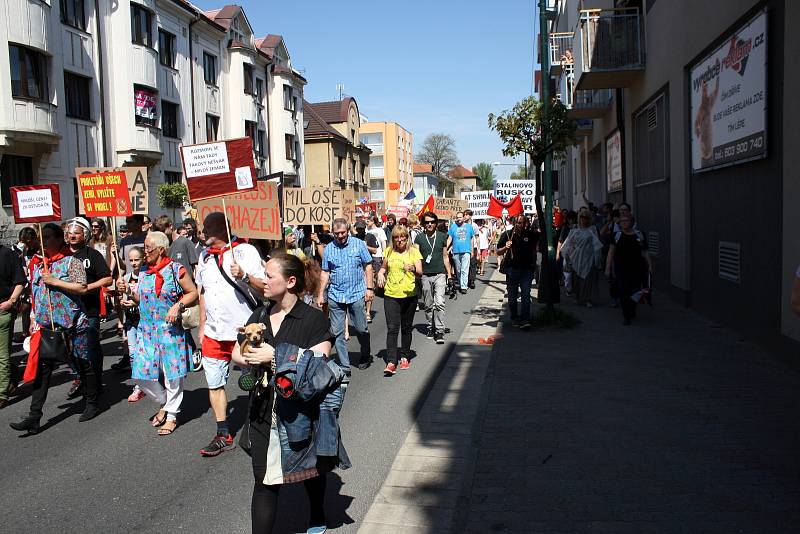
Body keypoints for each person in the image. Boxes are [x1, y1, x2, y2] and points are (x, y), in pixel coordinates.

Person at [233, 252, 348, 534]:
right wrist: (250, 357)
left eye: (270, 276)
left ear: (290, 281)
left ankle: (317, 514)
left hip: (299, 411)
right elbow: (237, 350)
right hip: (263, 411)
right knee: (264, 481)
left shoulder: (311, 319)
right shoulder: (260, 313)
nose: (264, 281)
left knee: (310, 470)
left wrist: (276, 357)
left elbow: (320, 361)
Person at [10, 223, 96, 434]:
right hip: (48, 328)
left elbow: (82, 287)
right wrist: (33, 318)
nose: (43, 241)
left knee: (82, 363)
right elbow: (36, 294)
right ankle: (34, 416)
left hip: (73, 326)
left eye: (48, 237)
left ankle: (92, 401)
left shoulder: (70, 262)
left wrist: (56, 282)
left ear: (59, 240)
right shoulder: (38, 264)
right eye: (42, 237)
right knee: (43, 370)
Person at [196, 212, 266, 456]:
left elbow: (266, 288)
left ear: (222, 228)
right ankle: (223, 433)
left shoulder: (246, 251)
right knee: (214, 383)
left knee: (256, 380)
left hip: (244, 332)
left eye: (207, 227)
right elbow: (202, 291)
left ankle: (261, 425)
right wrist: (202, 325)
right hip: (214, 333)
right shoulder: (204, 256)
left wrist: (245, 276)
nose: (202, 232)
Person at [117, 232, 198, 435]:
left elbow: (193, 292)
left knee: (172, 375)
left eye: (148, 248)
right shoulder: (144, 272)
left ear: (161, 249)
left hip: (170, 330)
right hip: (147, 331)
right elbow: (141, 298)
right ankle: (165, 402)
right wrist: (128, 292)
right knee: (141, 374)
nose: (145, 251)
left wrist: (177, 306)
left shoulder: (175, 269)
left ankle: (172, 415)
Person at [317, 218, 374, 372]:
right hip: (336, 295)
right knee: (337, 332)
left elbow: (368, 266)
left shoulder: (358, 245)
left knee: (361, 328)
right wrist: (321, 293)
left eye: (342, 233)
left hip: (356, 293)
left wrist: (369, 288)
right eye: (336, 234)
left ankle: (365, 354)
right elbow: (325, 272)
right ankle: (344, 364)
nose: (340, 236)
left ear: (348, 230)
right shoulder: (329, 248)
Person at [66, 217, 113, 401]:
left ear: (84, 235)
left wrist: (87, 288)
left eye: (76, 233)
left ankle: (95, 380)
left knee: (91, 346)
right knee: (70, 349)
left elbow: (107, 279)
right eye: (69, 233)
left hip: (89, 308)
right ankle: (80, 377)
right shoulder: (62, 256)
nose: (72, 236)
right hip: (68, 312)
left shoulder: (92, 255)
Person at [377, 225, 423, 375]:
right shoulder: (389, 251)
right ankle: (391, 361)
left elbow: (420, 273)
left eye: (402, 236)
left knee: (406, 327)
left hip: (409, 295)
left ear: (407, 237)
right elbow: (384, 267)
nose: (399, 239)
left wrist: (412, 269)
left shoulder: (414, 252)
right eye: (396, 237)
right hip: (391, 294)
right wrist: (381, 273)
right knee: (392, 328)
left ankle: (404, 355)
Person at [605, 215, 653, 325]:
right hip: (621, 268)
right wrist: (608, 268)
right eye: (622, 221)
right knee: (623, 290)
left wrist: (650, 265)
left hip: (637, 268)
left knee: (635, 290)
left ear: (632, 222)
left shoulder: (639, 235)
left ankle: (632, 309)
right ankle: (626, 315)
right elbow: (611, 252)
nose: (624, 223)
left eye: (626, 221)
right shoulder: (616, 235)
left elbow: (645, 251)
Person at [414, 211, 452, 344]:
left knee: (440, 302)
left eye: (432, 222)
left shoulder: (442, 237)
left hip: (440, 274)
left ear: (436, 223)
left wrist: (450, 275)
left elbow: (445, 256)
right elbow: (416, 257)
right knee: (429, 305)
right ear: (423, 224)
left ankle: (439, 331)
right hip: (425, 275)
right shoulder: (419, 238)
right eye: (427, 222)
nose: (429, 224)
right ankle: (430, 326)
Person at [497, 215, 539, 329]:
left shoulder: (530, 235)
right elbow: (498, 252)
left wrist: (534, 267)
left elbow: (534, 251)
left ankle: (525, 319)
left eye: (522, 223)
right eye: (518, 223)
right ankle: (514, 317)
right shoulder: (508, 234)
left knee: (526, 295)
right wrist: (506, 247)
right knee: (512, 297)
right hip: (512, 270)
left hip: (526, 270)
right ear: (514, 223)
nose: (520, 225)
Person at [560, 209, 603, 308]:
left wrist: (597, 260)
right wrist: (567, 257)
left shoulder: (592, 230)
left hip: (588, 258)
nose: (583, 219)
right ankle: (578, 297)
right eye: (582, 217)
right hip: (576, 258)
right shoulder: (575, 230)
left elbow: (596, 245)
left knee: (588, 280)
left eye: (586, 217)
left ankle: (587, 299)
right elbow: (568, 244)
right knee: (576, 280)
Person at [119, 247, 146, 403]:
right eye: (131, 260)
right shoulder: (125, 277)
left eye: (136, 259)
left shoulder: (145, 276)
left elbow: (149, 299)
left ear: (143, 258)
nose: (134, 263)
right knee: (132, 353)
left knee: (146, 352)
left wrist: (135, 301)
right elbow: (122, 300)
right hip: (131, 320)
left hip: (144, 319)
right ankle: (138, 385)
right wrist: (123, 302)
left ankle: (150, 379)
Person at [0, 243, 25, 408]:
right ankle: (13, 373)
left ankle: (1, 393)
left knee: (2, 354)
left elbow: (20, 281)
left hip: (3, 309)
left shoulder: (8, 254)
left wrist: (11, 301)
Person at [13, 227, 38, 343]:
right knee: (25, 307)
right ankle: (25, 333)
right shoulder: (19, 251)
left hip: (36, 282)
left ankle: (34, 335)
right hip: (25, 283)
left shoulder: (38, 250)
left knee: (35, 309)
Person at [448, 211, 476, 294]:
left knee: (464, 269)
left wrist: (472, 250)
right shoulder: (453, 227)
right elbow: (450, 238)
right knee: (458, 270)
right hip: (456, 251)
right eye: (457, 217)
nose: (458, 219)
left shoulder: (469, 227)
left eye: (460, 217)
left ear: (464, 218)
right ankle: (461, 283)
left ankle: (464, 286)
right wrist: (445, 248)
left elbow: (471, 239)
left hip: (466, 251)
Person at [463, 210, 480, 288]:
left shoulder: (474, 225)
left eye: (466, 215)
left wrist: (479, 250)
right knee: (465, 265)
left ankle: (472, 280)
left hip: (474, 247)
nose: (465, 216)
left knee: (473, 264)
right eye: (464, 215)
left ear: (470, 216)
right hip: (464, 247)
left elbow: (477, 237)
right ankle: (465, 280)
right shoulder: (462, 225)